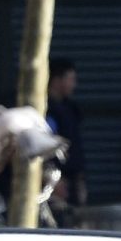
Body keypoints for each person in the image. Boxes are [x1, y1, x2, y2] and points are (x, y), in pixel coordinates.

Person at [45, 59, 86, 212]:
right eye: (71, 79)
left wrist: (80, 182)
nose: (74, 85)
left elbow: (76, 149)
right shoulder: (46, 111)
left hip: (72, 183)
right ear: (56, 80)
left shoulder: (70, 109)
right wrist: (52, 179)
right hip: (54, 184)